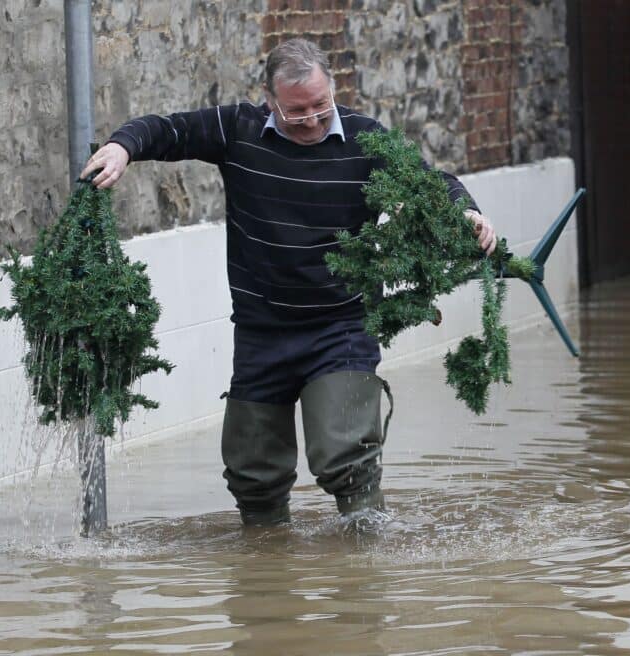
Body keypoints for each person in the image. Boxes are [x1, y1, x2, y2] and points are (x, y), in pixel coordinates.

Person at [81, 38, 496, 526]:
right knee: (252, 477)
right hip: (262, 333)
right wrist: (121, 146)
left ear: (333, 91)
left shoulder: (368, 140)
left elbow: (431, 184)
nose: (314, 121)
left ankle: (366, 578)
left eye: (322, 106)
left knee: (347, 459)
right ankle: (265, 580)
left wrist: (464, 210)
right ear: (270, 100)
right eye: (298, 113)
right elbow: (167, 130)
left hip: (341, 328)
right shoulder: (239, 130)